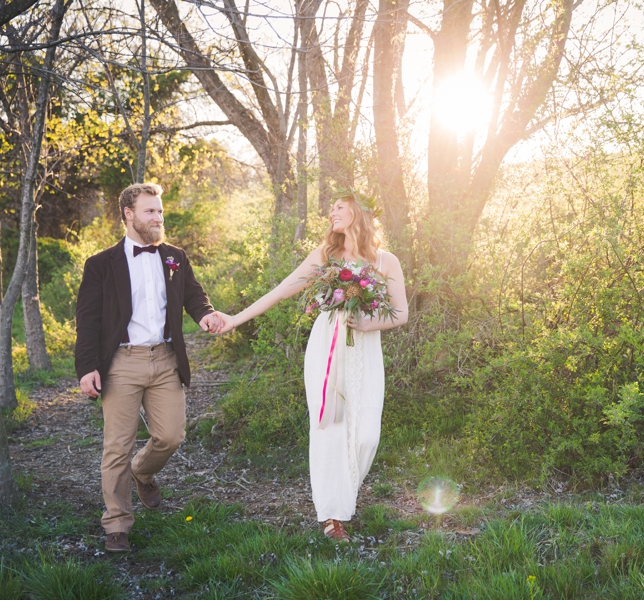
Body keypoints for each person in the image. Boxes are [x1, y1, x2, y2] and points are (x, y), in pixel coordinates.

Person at [209, 190, 408, 541]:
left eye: (339, 207)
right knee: (330, 427)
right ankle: (332, 515)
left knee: (366, 436)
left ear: (358, 214)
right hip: (326, 347)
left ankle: (344, 495)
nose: (331, 212)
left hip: (365, 348)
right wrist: (236, 319)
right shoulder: (325, 255)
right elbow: (283, 289)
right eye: (331, 208)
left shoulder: (386, 261)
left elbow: (401, 313)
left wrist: (367, 323)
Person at [75, 183, 221, 552]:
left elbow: (193, 295)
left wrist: (205, 315)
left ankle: (143, 471)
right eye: (150, 212)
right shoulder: (100, 264)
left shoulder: (175, 256)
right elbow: (87, 320)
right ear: (128, 214)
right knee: (117, 446)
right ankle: (117, 523)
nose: (158, 218)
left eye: (160, 211)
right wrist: (86, 367)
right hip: (121, 362)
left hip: (166, 358)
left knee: (172, 436)